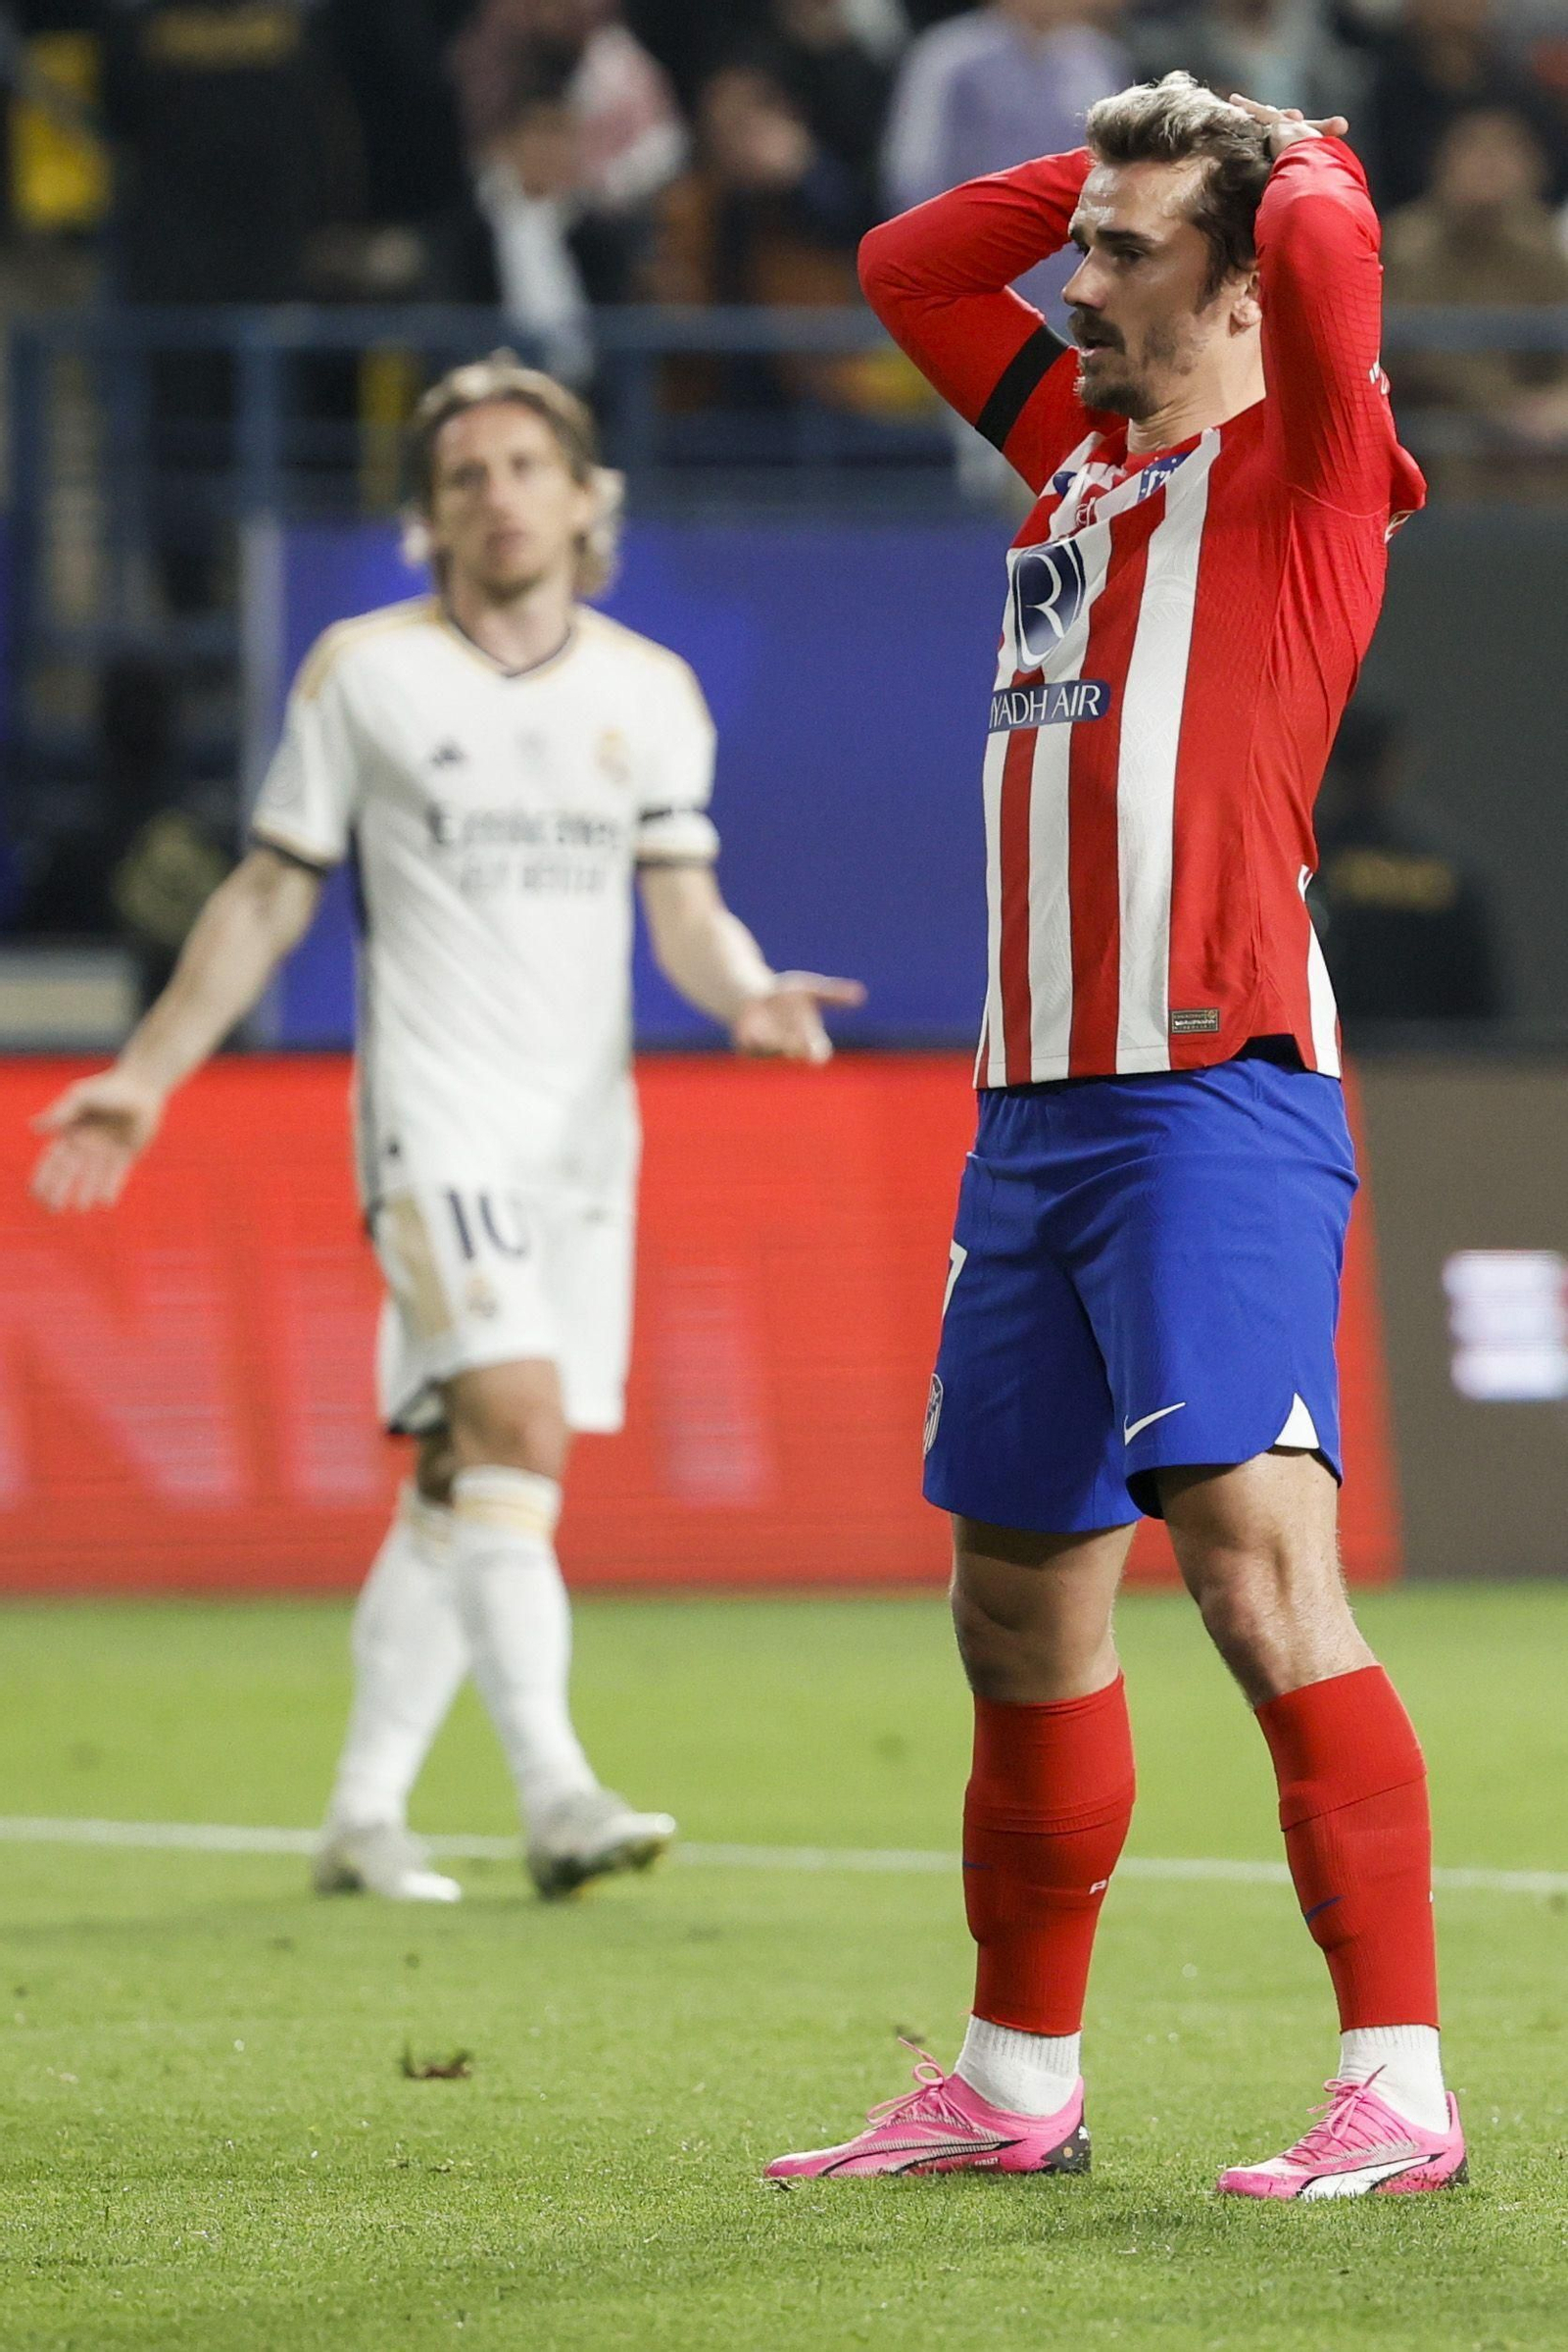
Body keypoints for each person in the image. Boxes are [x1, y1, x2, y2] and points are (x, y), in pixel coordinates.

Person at [767, 77, 1466, 2200]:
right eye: (1071, 243)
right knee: (1012, 1609)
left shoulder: (1308, 465)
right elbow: (907, 260)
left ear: (1240, 285)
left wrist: (1290, 139)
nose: (1069, 280)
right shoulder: (1068, 453)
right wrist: (1111, 159)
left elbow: (1335, 252)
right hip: (1034, 1117)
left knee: (1257, 1587)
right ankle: (1010, 2077)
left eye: (1121, 248)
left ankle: (1400, 2090)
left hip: (1210, 1097)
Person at [31, 355, 863, 1906]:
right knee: (521, 1426)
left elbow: (682, 909)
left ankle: (361, 1811)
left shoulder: (647, 694)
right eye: (464, 474)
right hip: (433, 1119)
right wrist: (149, 1071)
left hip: (578, 1143)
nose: (497, 495)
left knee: (459, 1469)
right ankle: (555, 1792)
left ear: (583, 497)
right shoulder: (366, 674)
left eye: (524, 467)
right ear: (426, 514)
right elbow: (270, 888)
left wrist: (745, 991)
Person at [1311, 705, 1504, 1026]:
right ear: (1393, 760)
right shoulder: (1447, 873)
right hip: (1433, 1062)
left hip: (1332, 1057)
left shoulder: (1305, 864)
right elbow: (1482, 1003)